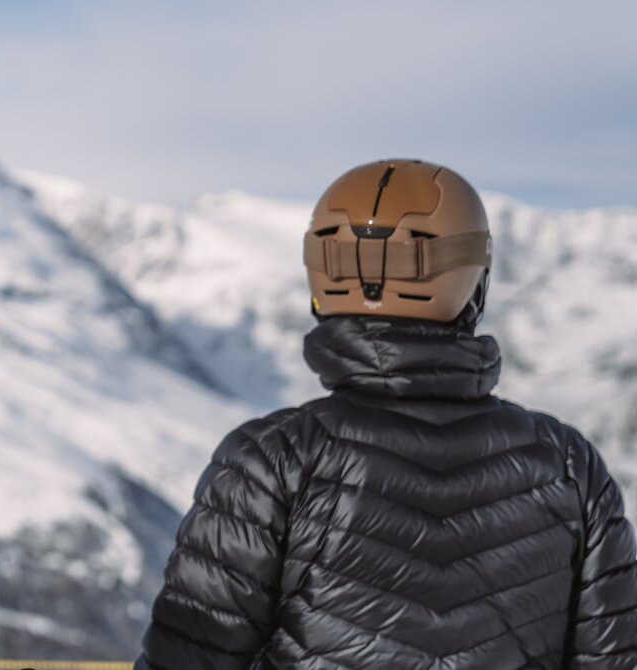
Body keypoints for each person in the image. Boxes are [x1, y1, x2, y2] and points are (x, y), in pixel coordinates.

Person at [138, 159, 637, 668]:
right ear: (474, 286)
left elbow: (188, 656)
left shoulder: (272, 459)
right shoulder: (569, 465)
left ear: (321, 282)